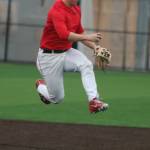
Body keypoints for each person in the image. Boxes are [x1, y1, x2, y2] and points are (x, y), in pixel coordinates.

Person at [36, 0, 108, 113]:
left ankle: (94, 101)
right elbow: (64, 35)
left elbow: (81, 34)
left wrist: (95, 48)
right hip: (48, 57)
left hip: (66, 52)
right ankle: (41, 86)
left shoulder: (76, 9)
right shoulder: (57, 10)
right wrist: (89, 37)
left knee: (86, 64)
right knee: (57, 98)